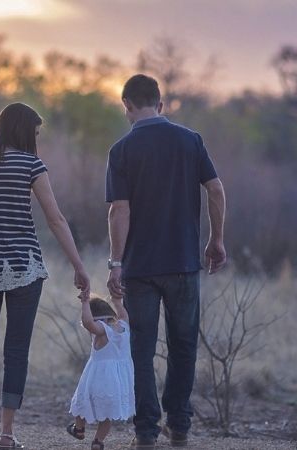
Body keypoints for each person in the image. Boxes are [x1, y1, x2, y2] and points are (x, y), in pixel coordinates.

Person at [0, 102, 91, 449]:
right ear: (25, 131)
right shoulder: (31, 165)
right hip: (24, 266)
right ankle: (7, 434)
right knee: (17, 350)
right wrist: (79, 265)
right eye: (36, 133)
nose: (37, 139)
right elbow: (55, 220)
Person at [105, 74, 227, 448]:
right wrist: (216, 239)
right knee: (184, 345)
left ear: (126, 105)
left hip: (140, 268)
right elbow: (216, 190)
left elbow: (119, 211)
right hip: (183, 264)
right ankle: (179, 427)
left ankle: (145, 432)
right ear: (161, 103)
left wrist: (115, 263)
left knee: (140, 349)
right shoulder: (190, 141)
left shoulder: (122, 150)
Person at [66, 296, 134, 450]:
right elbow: (123, 315)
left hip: (98, 379)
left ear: (97, 319)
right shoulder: (124, 326)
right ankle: (98, 441)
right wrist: (117, 301)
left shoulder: (102, 331)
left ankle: (79, 429)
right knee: (107, 415)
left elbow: (89, 323)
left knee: (82, 402)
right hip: (118, 382)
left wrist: (84, 303)